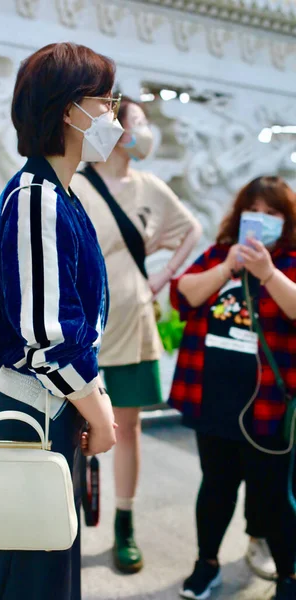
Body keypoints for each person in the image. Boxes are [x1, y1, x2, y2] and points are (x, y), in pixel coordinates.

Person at [0, 42, 123, 600]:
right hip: (32, 416)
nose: (112, 115)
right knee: (24, 572)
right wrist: (102, 412)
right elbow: (49, 338)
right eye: (105, 101)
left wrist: (92, 402)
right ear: (71, 111)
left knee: (22, 564)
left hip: (47, 411)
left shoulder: (57, 192)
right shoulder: (37, 196)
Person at [71, 96, 201, 574]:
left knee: (128, 429)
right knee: (72, 426)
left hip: (135, 324)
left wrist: (160, 277)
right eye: (139, 122)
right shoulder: (78, 186)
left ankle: (124, 523)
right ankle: (63, 518)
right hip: (82, 329)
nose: (144, 131)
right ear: (116, 129)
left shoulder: (150, 187)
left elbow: (192, 229)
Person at [169, 175, 296, 600]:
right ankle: (206, 565)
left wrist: (268, 273)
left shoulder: (291, 260)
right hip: (213, 398)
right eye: (253, 211)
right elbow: (182, 294)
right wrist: (229, 267)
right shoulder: (221, 254)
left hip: (269, 406)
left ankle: (288, 575)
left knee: (275, 495)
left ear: (287, 220)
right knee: (216, 485)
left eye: (271, 213)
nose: (260, 220)